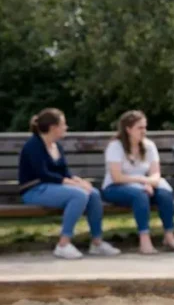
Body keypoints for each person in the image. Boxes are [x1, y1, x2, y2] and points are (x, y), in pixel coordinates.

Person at [17, 108, 121, 259]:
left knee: (93, 193)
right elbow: (43, 174)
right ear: (53, 128)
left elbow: (64, 172)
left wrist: (79, 181)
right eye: (63, 124)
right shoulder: (33, 146)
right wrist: (74, 185)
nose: (66, 127)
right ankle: (63, 244)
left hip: (53, 187)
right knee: (78, 195)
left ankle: (97, 242)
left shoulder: (57, 146)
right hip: (34, 190)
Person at [101, 110, 174, 254]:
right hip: (115, 187)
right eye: (139, 128)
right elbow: (117, 177)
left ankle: (169, 236)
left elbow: (156, 174)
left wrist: (148, 183)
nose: (144, 131)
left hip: (144, 186)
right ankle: (144, 240)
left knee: (165, 194)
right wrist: (142, 181)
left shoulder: (149, 146)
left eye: (145, 127)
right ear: (128, 129)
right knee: (140, 194)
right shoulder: (115, 146)